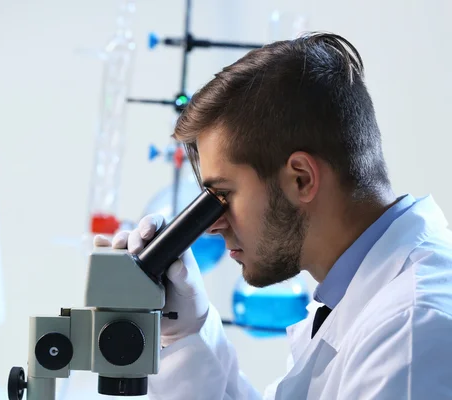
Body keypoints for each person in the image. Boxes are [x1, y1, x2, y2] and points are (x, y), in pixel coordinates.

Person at [94, 32, 452, 399]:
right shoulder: (351, 299)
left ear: (301, 179)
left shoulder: (411, 333)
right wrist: (189, 330)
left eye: (223, 195)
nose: (213, 225)